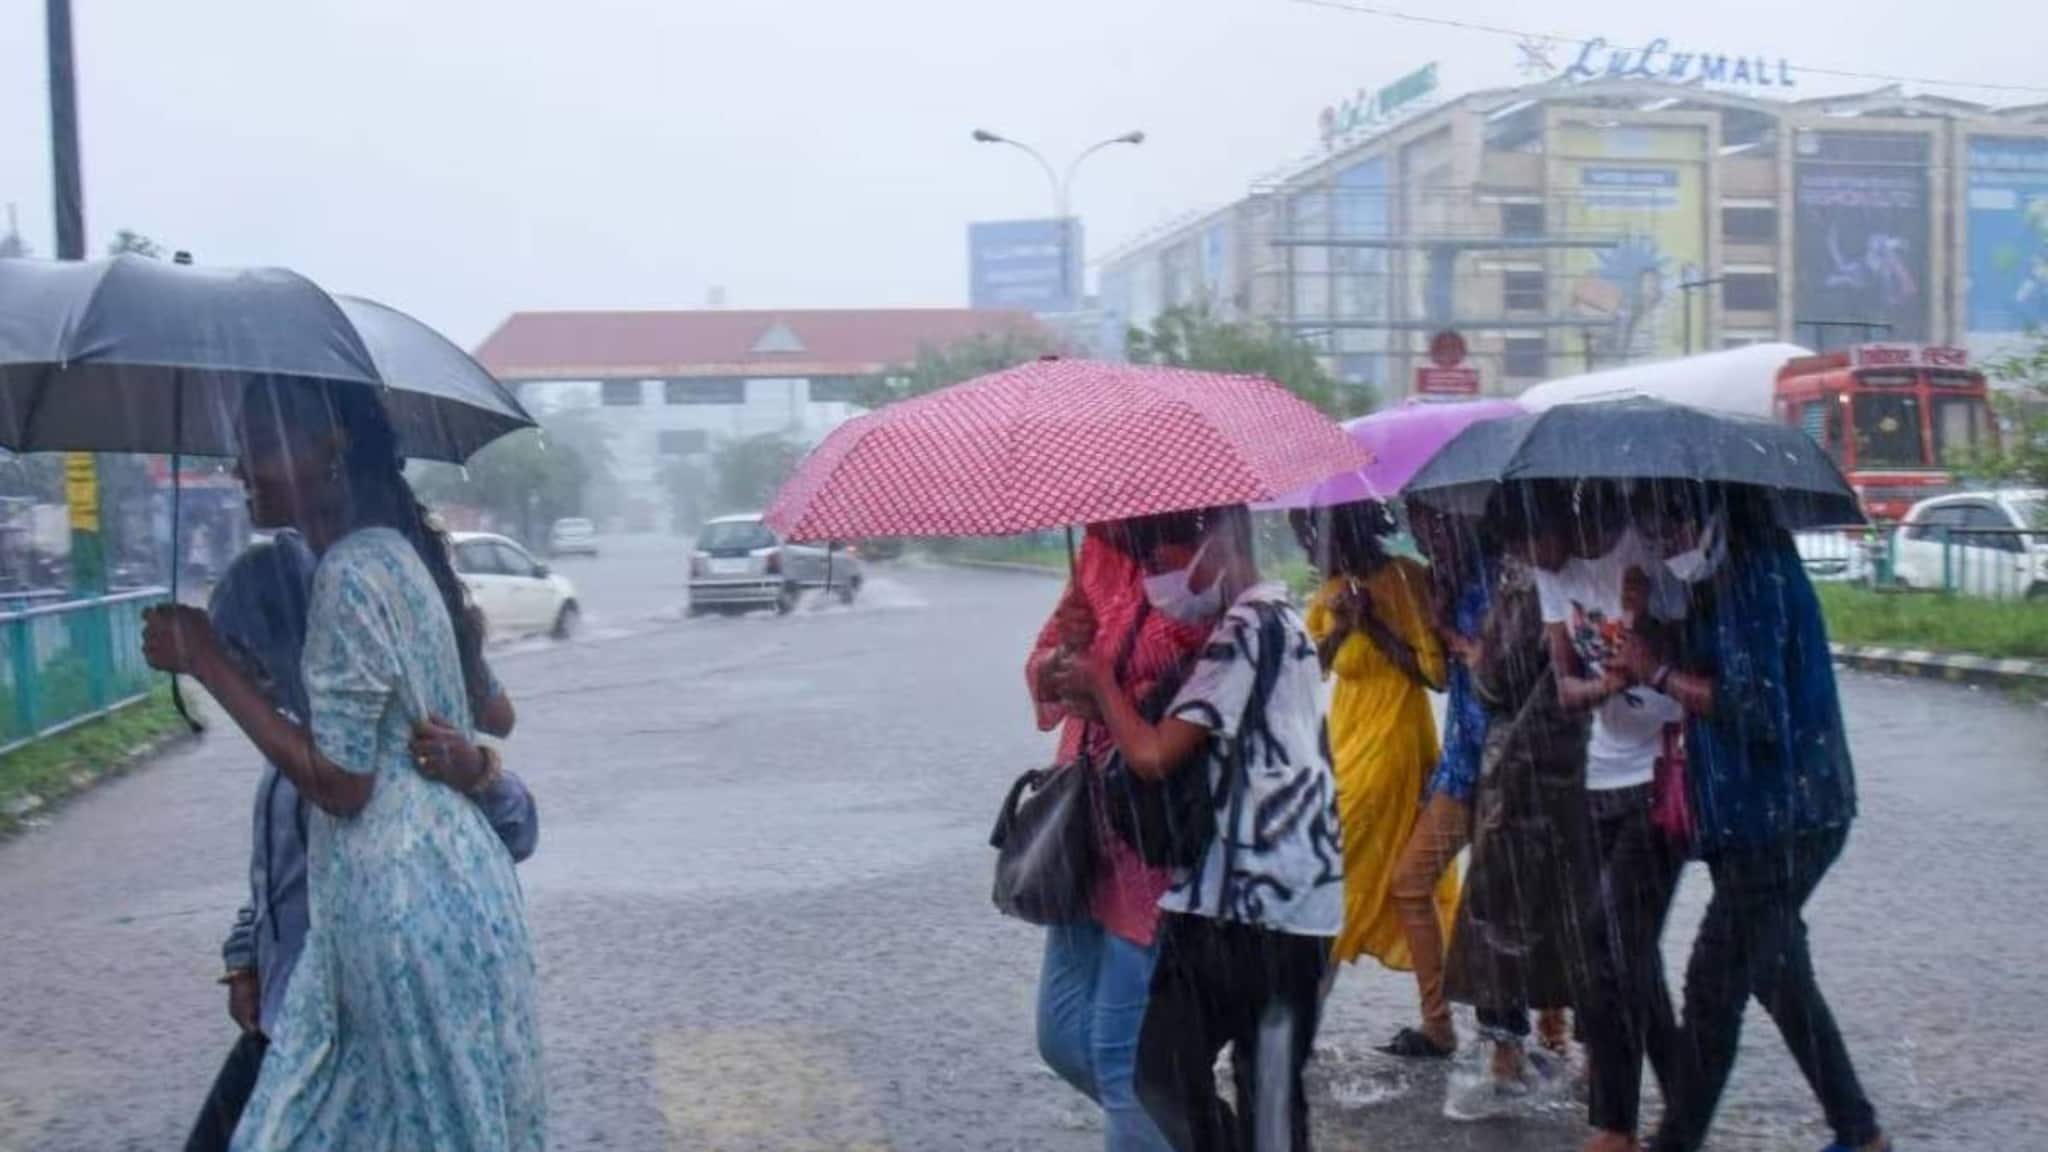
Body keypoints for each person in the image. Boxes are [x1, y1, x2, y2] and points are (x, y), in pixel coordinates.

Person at [144, 378, 546, 1151]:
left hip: (398, 905)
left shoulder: (349, 574)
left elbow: (342, 783)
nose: (239, 467)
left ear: (328, 448)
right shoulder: (394, 557)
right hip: (435, 895)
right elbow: (484, 712)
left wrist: (206, 661)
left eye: (259, 444)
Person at [1055, 507, 1343, 1152]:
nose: (1161, 583)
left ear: (1216, 544)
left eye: (1163, 564)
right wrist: (1090, 663)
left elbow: (1155, 754)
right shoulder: (1250, 625)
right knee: (1167, 1072)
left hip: (1272, 906)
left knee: (1253, 1094)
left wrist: (1101, 679)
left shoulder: (1254, 626)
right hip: (1228, 898)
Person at [1632, 488, 1890, 1152]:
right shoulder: (1723, 576)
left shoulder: (1757, 578)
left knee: (1712, 986)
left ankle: (1674, 1143)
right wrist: (1651, 627)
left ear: (1711, 514)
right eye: (1649, 528)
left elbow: (1756, 710)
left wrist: (1656, 669)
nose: (1660, 541)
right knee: (1779, 975)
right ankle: (1859, 1132)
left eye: (1669, 523)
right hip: (1755, 817)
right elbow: (1709, 660)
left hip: (1788, 818)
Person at [1026, 522, 1209, 1152]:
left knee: (1120, 1063)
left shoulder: (1195, 561)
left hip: (1150, 838)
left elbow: (1199, 676)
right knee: (1062, 1038)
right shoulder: (1097, 556)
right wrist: (1062, 659)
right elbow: (1041, 667)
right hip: (1082, 832)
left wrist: (1104, 683)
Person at [1524, 480, 1690, 1152]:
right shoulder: (1548, 574)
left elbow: (1689, 650)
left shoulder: (1641, 557)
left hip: (1663, 770)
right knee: (1627, 953)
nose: (1536, 559)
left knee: (1608, 940)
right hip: (1604, 774)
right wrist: (1607, 685)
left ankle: (1614, 1123)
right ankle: (1685, 1100)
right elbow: (1565, 688)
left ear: (1560, 518)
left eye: (1536, 541)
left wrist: (1646, 617)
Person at [1295, 502, 1456, 1058]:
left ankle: (1299, 1022)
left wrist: (1375, 624)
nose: (1310, 552)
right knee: (1388, 881)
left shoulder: (1407, 580)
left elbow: (1435, 675)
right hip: (1342, 747)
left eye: (1314, 536)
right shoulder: (1332, 589)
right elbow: (1310, 666)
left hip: (1393, 745)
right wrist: (1341, 626)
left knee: (1337, 877)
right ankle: (1439, 1018)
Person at [1434, 503, 1585, 1092]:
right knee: (1572, 913)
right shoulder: (1600, 575)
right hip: (1577, 771)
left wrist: (1470, 650)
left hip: (1521, 769)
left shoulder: (1524, 584)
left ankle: (1508, 1053)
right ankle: (1570, 1040)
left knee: (1498, 915)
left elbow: (1493, 675)